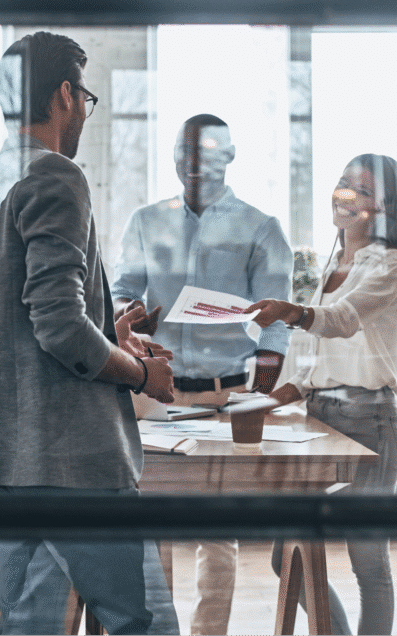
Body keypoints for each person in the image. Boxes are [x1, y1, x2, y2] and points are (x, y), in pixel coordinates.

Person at [0, 31, 179, 635]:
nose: (84, 113)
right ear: (65, 94)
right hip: (72, 458)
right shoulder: (55, 176)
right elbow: (61, 326)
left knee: (29, 623)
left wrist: (108, 333)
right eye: (85, 98)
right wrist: (143, 374)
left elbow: (22, 318)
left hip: (13, 454)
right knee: (142, 622)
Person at [111, 113, 292, 635]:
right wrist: (130, 311)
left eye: (207, 152)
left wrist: (269, 360)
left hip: (224, 395)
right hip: (156, 394)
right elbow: (123, 287)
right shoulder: (146, 220)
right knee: (155, 524)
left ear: (229, 156)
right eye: (183, 152)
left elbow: (275, 317)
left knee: (217, 530)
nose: (193, 163)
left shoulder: (260, 227)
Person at [245, 153, 397, 636]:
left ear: (384, 207)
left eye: (360, 190)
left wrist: (288, 311)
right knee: (287, 555)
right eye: (342, 184)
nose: (344, 195)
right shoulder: (331, 263)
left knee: (367, 560)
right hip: (320, 418)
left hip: (369, 421)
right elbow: (317, 361)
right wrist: (267, 400)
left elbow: (340, 322)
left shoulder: (393, 265)